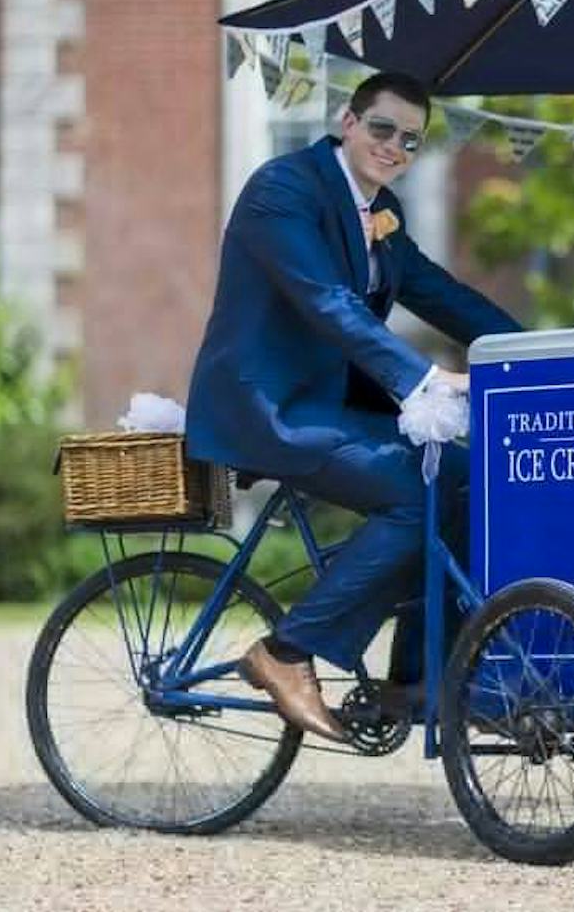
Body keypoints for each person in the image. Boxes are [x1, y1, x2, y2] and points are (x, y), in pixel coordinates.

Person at [184, 71, 521, 742]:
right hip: (269, 407)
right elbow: (326, 302)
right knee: (416, 493)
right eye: (383, 128)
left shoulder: (382, 213)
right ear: (347, 120)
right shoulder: (282, 190)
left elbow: (445, 295)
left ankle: (421, 676)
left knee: (465, 480)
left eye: (411, 140)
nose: (395, 146)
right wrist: (425, 376)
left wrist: (541, 352)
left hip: (331, 404)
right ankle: (284, 651)